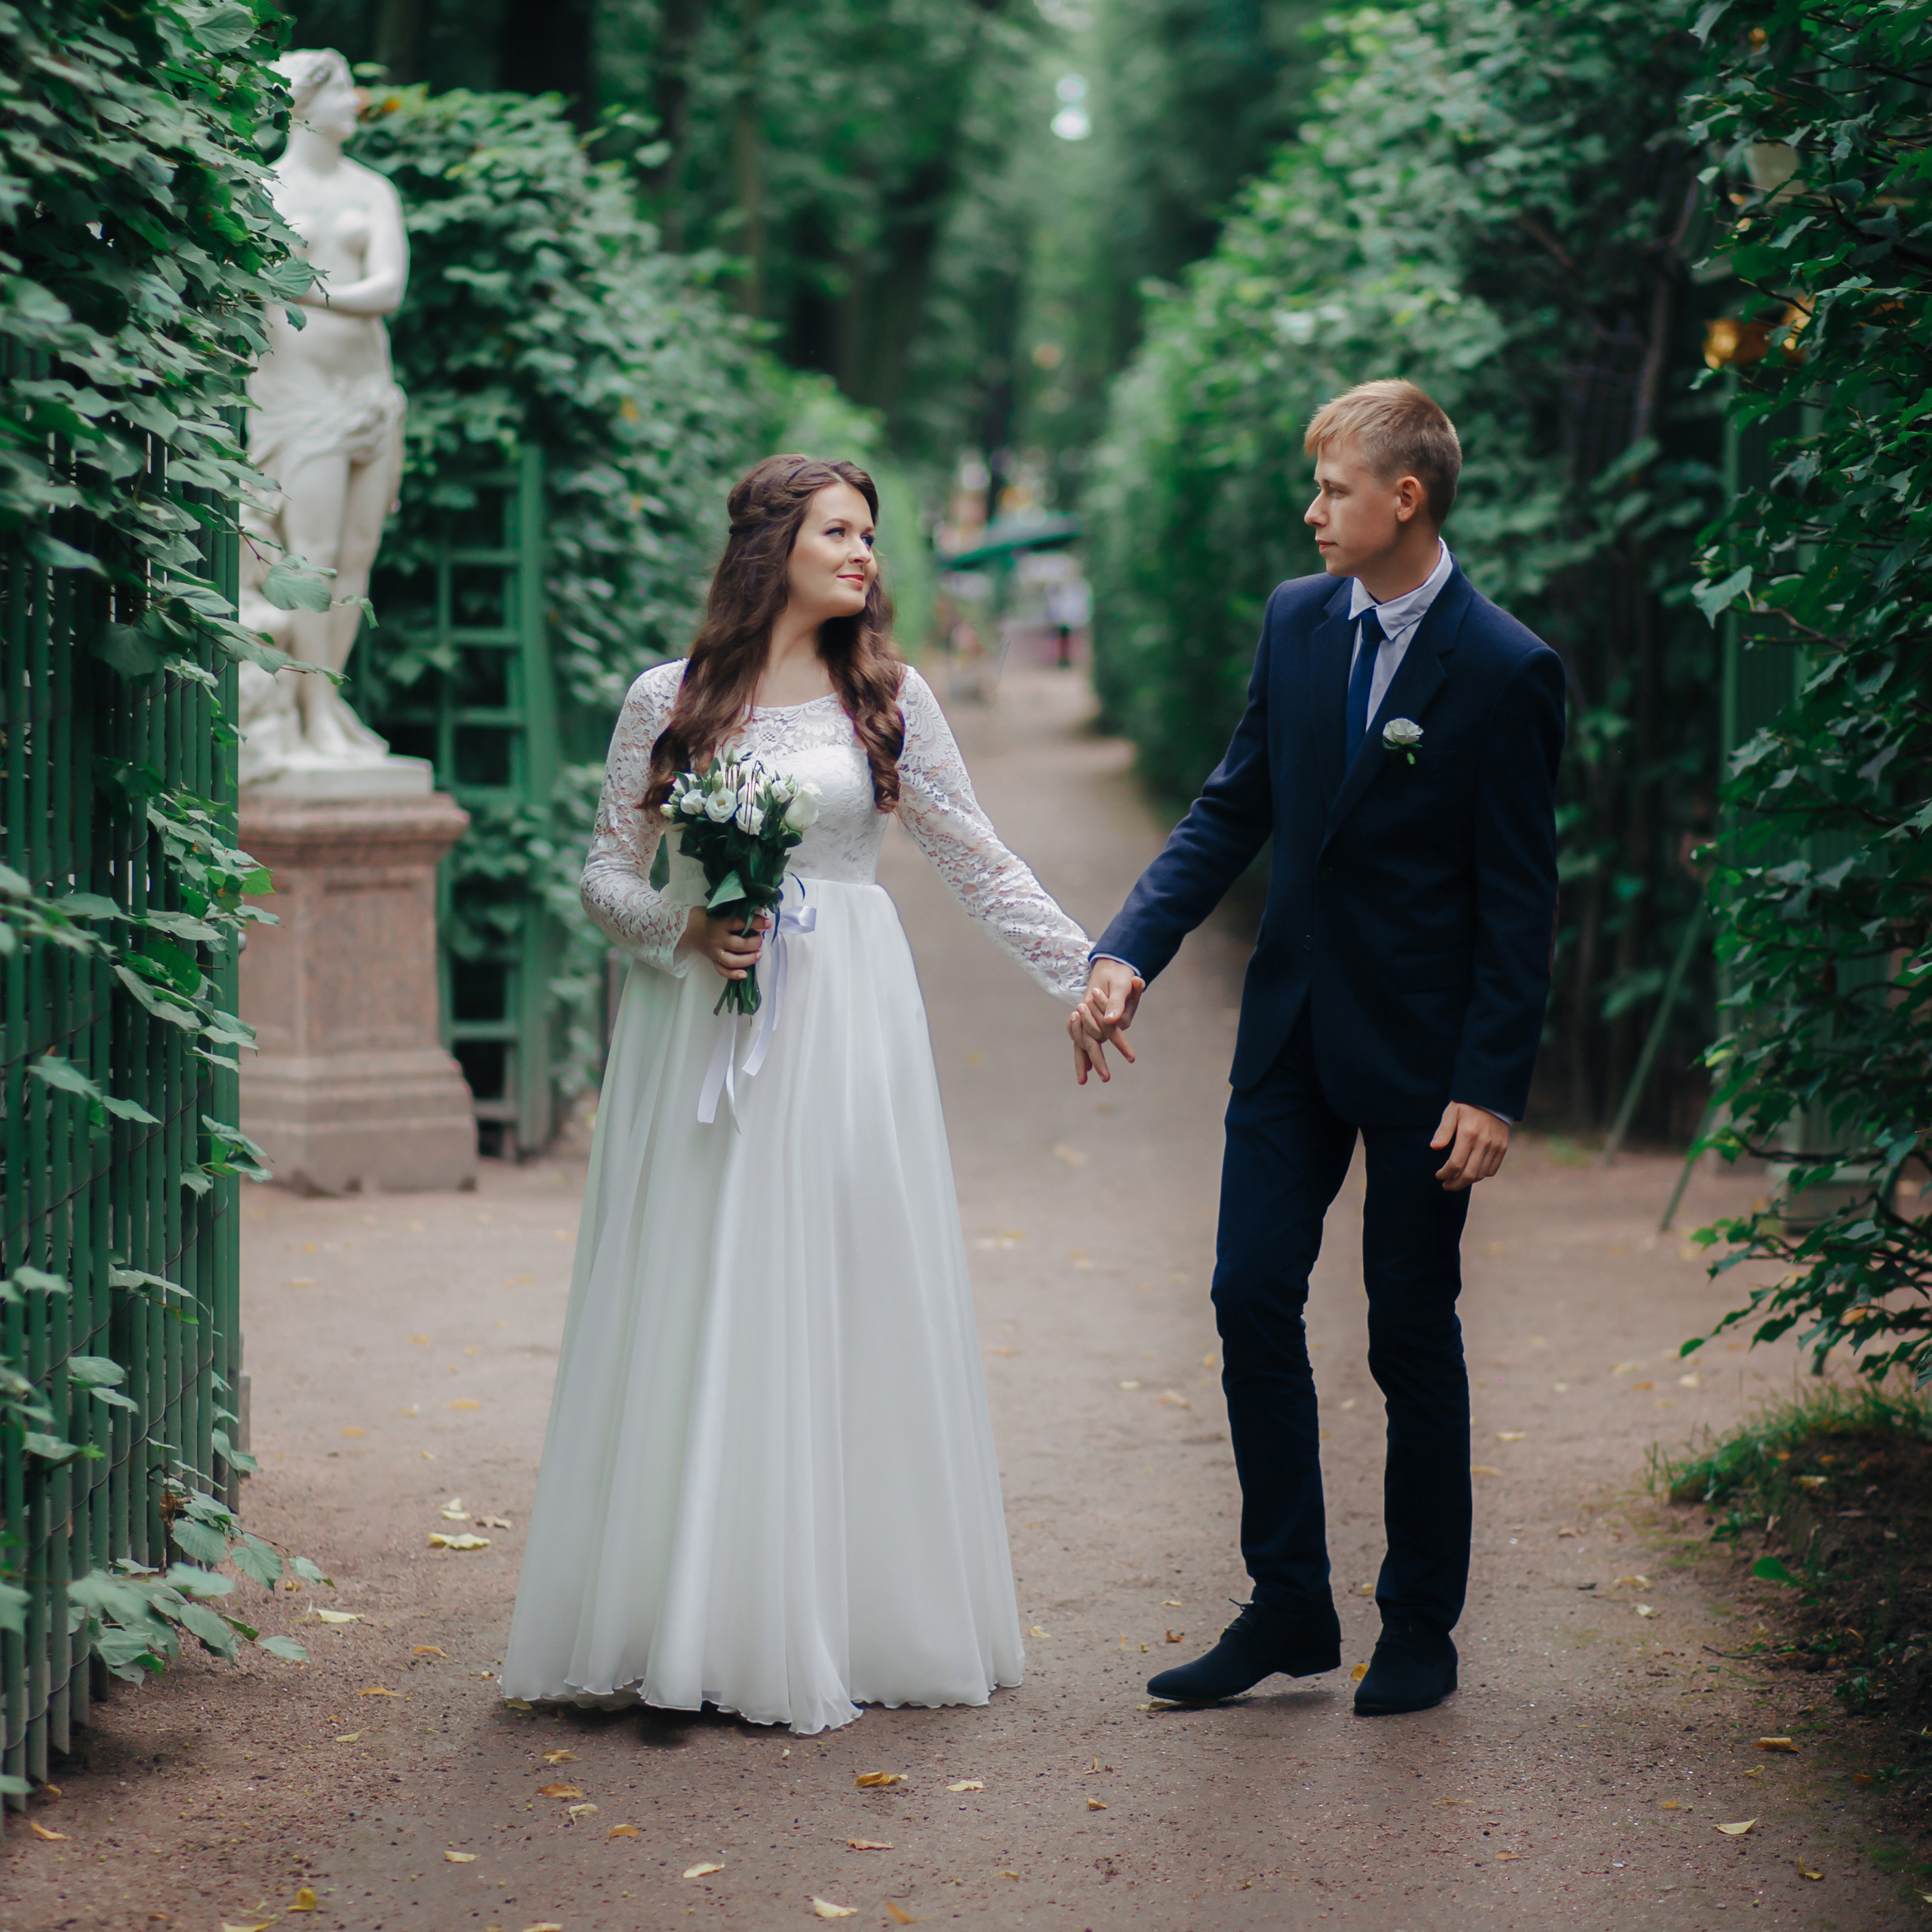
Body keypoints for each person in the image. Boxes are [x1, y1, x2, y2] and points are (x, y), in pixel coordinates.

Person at [501, 455, 1092, 1736]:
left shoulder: (890, 697)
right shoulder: (667, 698)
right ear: (776, 543)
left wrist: (1087, 975)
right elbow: (606, 875)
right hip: (701, 1029)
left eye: (872, 535)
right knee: (706, 1286)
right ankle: (693, 1615)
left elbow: (978, 862)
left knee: (844, 1280)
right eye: (842, 531)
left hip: (847, 1022)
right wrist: (681, 925)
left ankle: (849, 1612)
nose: (867, 552)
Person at [1070, 380, 1564, 1716]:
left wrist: (1490, 1086)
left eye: (1333, 487)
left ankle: (1420, 1626)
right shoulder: (1297, 622)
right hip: (1288, 1038)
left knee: (1410, 1333)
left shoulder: (1508, 668)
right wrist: (1126, 951)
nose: (1312, 510)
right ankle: (1289, 1602)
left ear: (1405, 497)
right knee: (1246, 1293)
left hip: (1422, 1066)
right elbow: (1233, 809)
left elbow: (1520, 901)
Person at [237, 47, 410, 780]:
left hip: (371, 395)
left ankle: (328, 704)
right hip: (296, 400)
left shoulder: (373, 189)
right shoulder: (262, 188)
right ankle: (308, 715)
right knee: (308, 559)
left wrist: (301, 286)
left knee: (357, 557)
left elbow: (390, 287)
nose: (355, 102)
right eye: (340, 90)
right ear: (302, 101)